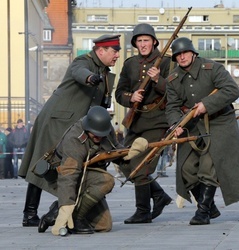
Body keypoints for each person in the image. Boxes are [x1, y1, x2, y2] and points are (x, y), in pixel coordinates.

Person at [18, 34, 121, 227]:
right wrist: (90, 77)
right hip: (57, 120)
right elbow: (78, 72)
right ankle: (29, 213)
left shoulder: (104, 71)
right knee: (42, 163)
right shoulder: (84, 61)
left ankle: (62, 208)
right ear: (101, 51)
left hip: (75, 125)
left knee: (67, 166)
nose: (117, 55)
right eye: (114, 51)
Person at [165, 37, 239, 225]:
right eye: (178, 55)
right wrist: (176, 125)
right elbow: (172, 107)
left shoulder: (212, 68)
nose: (182, 57)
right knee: (185, 168)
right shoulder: (173, 79)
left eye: (185, 53)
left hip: (219, 123)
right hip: (192, 125)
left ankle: (202, 212)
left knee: (208, 166)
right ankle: (209, 205)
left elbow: (232, 90)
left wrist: (206, 105)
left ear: (193, 53)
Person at [115, 23, 172, 224]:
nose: (143, 44)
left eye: (146, 40)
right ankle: (159, 195)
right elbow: (119, 92)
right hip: (135, 121)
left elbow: (175, 92)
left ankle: (143, 211)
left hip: (157, 121)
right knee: (121, 159)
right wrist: (131, 97)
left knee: (141, 165)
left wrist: (158, 80)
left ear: (154, 41)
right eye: (139, 41)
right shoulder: (130, 64)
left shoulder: (165, 62)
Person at [37, 106, 123, 235]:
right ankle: (75, 216)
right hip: (64, 178)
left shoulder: (105, 128)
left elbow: (114, 148)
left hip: (87, 177)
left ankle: (55, 212)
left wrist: (131, 152)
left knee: (104, 226)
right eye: (95, 135)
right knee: (106, 180)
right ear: (88, 127)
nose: (99, 138)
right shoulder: (75, 139)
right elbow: (68, 174)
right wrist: (66, 206)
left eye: (102, 135)